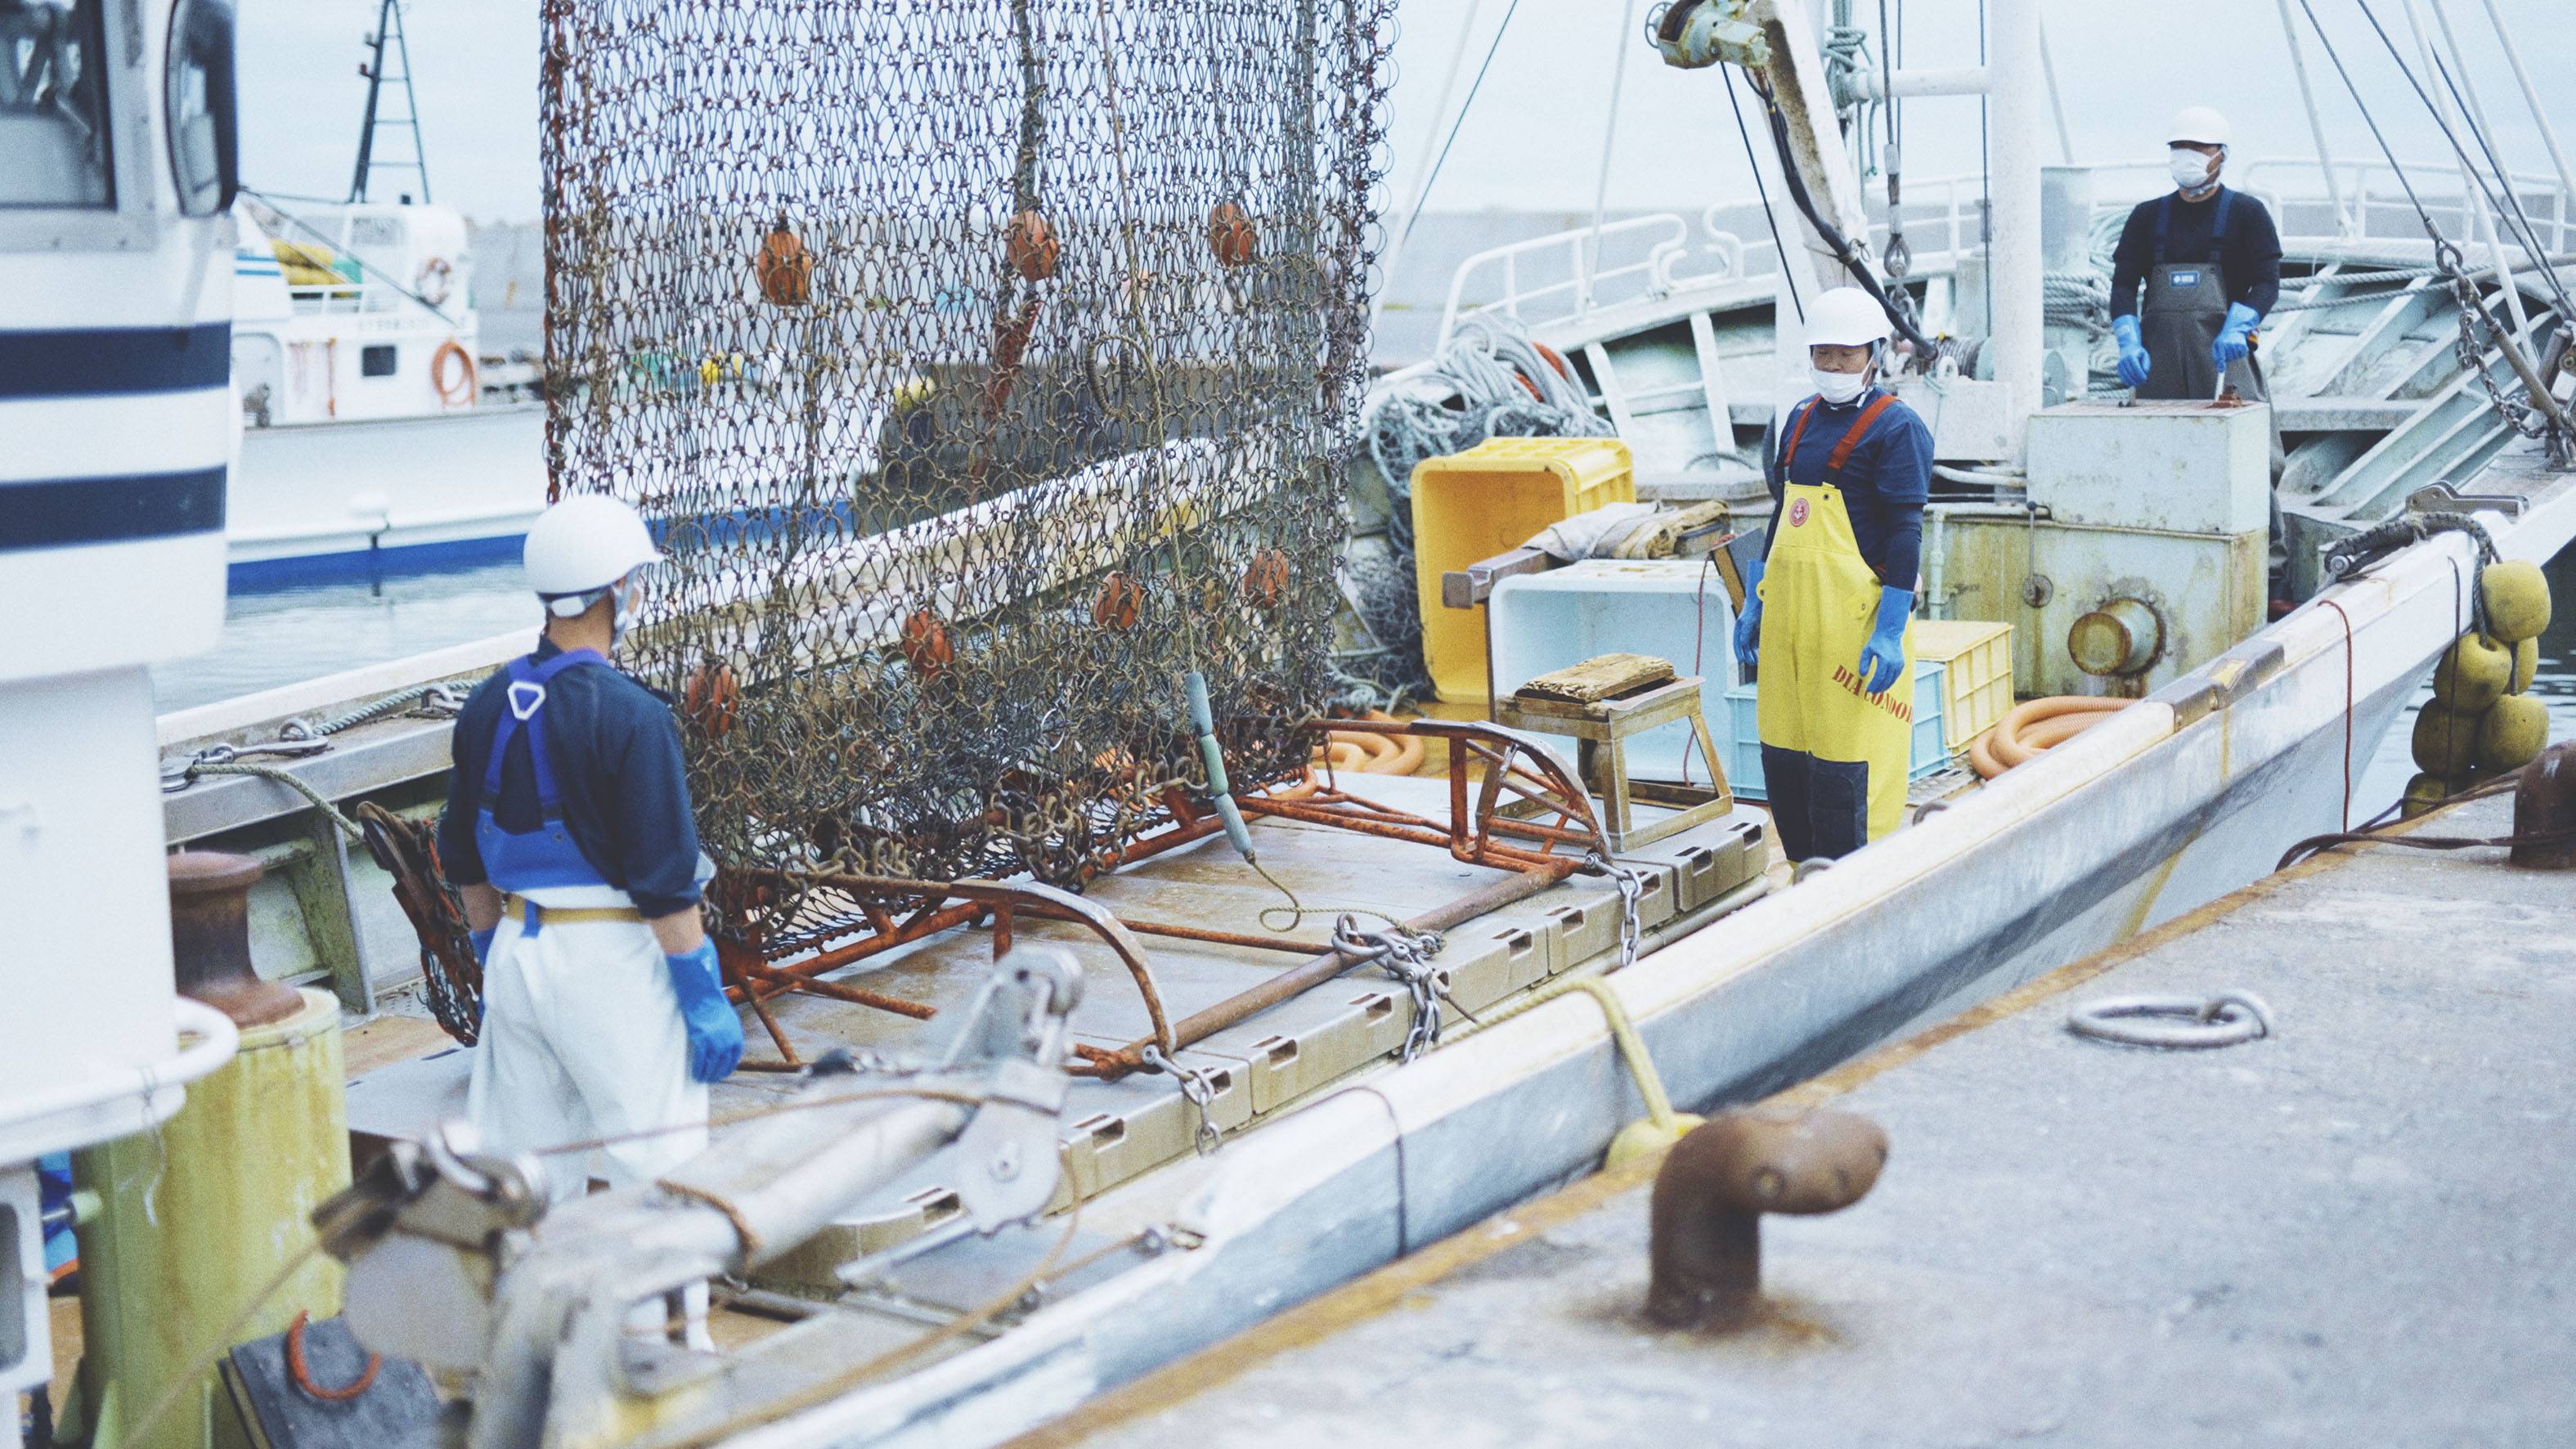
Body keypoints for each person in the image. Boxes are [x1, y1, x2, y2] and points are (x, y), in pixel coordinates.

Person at [437, 493, 742, 1347]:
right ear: (618, 589)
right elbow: (664, 880)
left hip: (520, 954)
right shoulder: (634, 717)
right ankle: (665, 1342)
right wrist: (699, 988)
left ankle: (529, 1341)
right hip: (613, 960)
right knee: (659, 1159)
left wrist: (497, 949)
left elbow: (458, 852)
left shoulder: (485, 706)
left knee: (530, 1170)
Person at [1733, 286, 1934, 862]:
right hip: (1791, 619)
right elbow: (1780, 513)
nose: (1833, 366)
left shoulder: (1897, 429)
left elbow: (1905, 532)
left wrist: (1891, 627)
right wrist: (1754, 600)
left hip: (1854, 624)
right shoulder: (1797, 419)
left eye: (1846, 355)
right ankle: (1803, 867)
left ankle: (1858, 877)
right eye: (1823, 354)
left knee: (1851, 759)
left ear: (1874, 354)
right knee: (1787, 752)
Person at [2110, 108, 2287, 436]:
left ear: (2221, 155)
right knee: (2157, 444)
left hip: (2225, 355)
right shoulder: (2146, 216)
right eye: (2178, 148)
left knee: (2248, 446)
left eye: (2199, 148)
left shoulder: (2248, 213)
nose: (2186, 156)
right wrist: (2128, 343)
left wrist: (2240, 326)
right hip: (2156, 362)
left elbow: (2267, 282)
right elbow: (2122, 286)